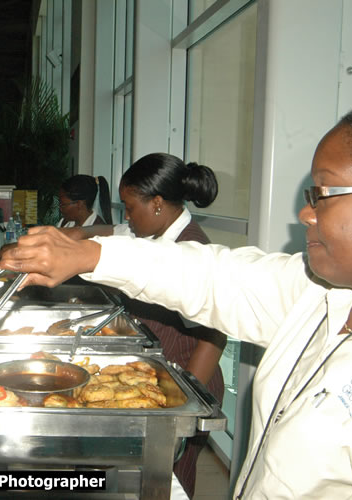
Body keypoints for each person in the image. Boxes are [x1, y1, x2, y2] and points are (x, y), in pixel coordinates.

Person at [0, 99, 352, 499]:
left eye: (323, 193)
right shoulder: (321, 294)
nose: (306, 213)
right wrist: (88, 253)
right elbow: (214, 277)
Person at [116, 153, 226, 497]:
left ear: (158, 204)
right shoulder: (159, 237)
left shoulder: (190, 250)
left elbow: (213, 336)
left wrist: (183, 404)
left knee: (172, 481)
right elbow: (113, 232)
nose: (127, 217)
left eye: (130, 208)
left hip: (188, 380)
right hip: (164, 378)